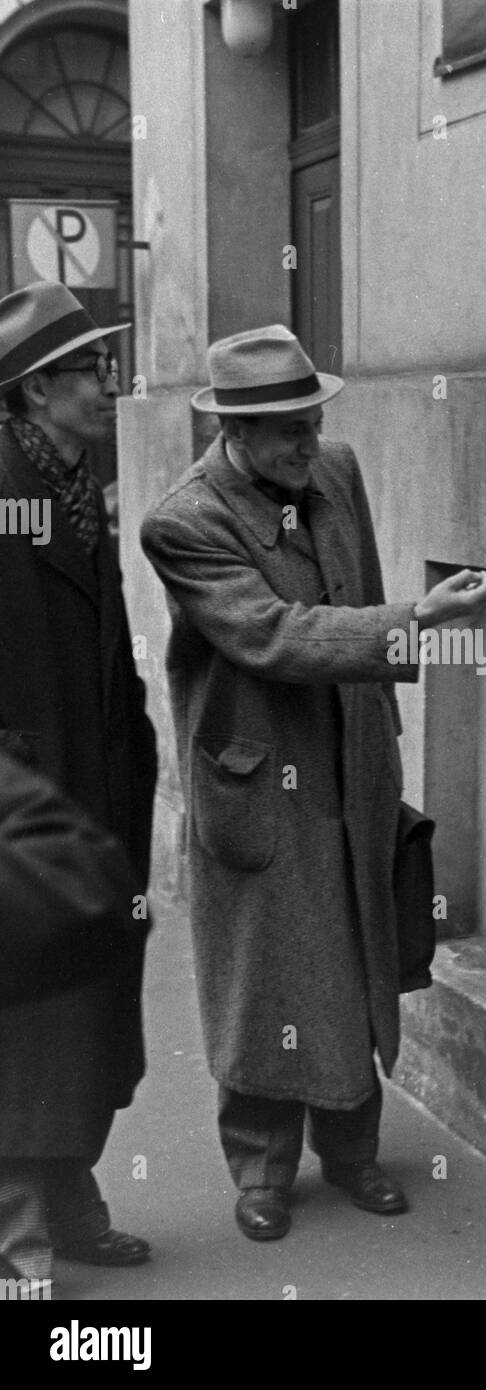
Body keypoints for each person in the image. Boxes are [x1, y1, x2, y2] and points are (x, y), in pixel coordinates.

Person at [141, 324, 486, 1240]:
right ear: (234, 430)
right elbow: (270, 633)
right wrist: (419, 619)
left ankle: (353, 1157)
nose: (306, 444)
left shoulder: (334, 470)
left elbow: (361, 590)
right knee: (262, 980)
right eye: (285, 431)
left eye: (312, 422)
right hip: (257, 775)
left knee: (356, 958)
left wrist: (384, 721)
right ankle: (262, 1174)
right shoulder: (185, 521)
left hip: (349, 757)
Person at [0, 282, 157, 1280]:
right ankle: (19, 1247)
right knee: (24, 1029)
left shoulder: (70, 481)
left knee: (84, 1013)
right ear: (34, 390)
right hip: (26, 806)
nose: (110, 387)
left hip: (92, 787)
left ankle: (70, 1202)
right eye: (91, 372)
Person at [0, 750, 149, 1292]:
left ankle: (63, 1207)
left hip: (82, 791)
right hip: (31, 779)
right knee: (22, 1059)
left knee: (78, 1046)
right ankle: (21, 1261)